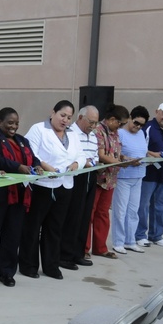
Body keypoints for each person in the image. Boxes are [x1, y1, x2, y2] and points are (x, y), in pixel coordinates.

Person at [0, 108, 50, 287]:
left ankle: (7, 272)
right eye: (10, 122)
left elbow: (33, 159)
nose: (14, 126)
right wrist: (18, 167)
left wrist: (37, 166)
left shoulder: (22, 140)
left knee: (12, 235)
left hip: (19, 195)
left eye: (16, 123)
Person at [19, 100, 81, 279]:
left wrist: (77, 163)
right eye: (62, 115)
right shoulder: (39, 129)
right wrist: (46, 167)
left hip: (65, 185)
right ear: (52, 112)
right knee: (33, 227)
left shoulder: (72, 135)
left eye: (69, 118)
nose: (65, 121)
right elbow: (31, 153)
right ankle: (28, 265)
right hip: (43, 186)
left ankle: (51, 265)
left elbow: (81, 154)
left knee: (55, 227)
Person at [89, 105, 130, 259]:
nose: (122, 126)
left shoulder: (115, 133)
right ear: (112, 119)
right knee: (90, 214)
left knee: (103, 214)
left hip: (111, 179)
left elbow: (115, 153)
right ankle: (85, 248)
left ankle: (100, 248)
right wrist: (118, 163)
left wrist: (125, 159)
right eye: (121, 123)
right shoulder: (98, 130)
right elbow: (100, 155)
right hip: (98, 179)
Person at [136, 102, 163, 247]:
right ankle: (140, 235)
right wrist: (154, 154)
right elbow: (141, 148)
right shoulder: (147, 127)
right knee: (143, 205)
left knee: (160, 205)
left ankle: (156, 235)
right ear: (157, 111)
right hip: (147, 173)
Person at [110, 106, 149, 254]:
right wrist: (128, 159)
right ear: (130, 118)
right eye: (136, 123)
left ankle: (130, 240)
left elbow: (143, 151)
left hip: (138, 175)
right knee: (120, 210)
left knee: (133, 211)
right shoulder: (120, 133)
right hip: (124, 176)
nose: (138, 127)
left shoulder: (141, 134)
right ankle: (118, 241)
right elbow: (115, 153)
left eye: (141, 125)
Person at [64, 106, 100, 266]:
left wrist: (93, 162)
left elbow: (96, 155)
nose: (93, 126)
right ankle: (66, 255)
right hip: (76, 175)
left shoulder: (93, 136)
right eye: (91, 122)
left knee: (85, 216)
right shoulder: (70, 133)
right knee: (73, 216)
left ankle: (78, 253)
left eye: (96, 123)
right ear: (80, 118)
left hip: (90, 175)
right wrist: (83, 162)